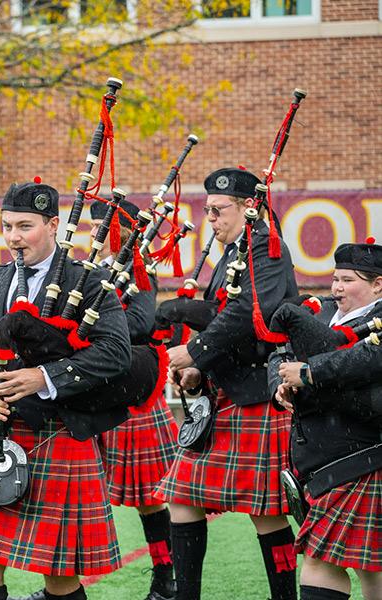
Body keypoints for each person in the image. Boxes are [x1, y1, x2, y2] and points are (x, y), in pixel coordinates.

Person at [0, 180, 132, 600]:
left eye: (24, 226)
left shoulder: (90, 281)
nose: (13, 237)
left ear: (53, 225)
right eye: (7, 226)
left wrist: (44, 377)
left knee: (59, 574)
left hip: (58, 435)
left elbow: (117, 353)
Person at [157, 167, 299, 600]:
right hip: (226, 390)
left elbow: (247, 316)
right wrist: (202, 368)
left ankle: (284, 596)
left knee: (267, 512)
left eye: (219, 211)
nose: (210, 219)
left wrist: (194, 353)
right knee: (181, 495)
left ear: (248, 208)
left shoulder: (267, 250)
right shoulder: (235, 252)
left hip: (258, 392)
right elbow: (222, 316)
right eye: (208, 211)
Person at [272, 239, 382, 600]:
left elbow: (365, 361)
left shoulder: (376, 323)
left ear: (377, 283)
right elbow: (281, 352)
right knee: (365, 566)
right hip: (318, 459)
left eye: (348, 280)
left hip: (363, 456)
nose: (336, 288)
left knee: (332, 563)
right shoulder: (320, 317)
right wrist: (281, 384)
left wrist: (309, 372)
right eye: (335, 278)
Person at [91, 200, 178, 600]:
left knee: (149, 499)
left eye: (101, 228)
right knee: (81, 492)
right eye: (93, 227)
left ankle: (166, 578)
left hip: (132, 390)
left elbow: (141, 323)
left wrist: (93, 327)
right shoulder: (91, 270)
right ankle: (63, 584)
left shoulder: (140, 270)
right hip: (91, 391)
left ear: (122, 233)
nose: (94, 234)